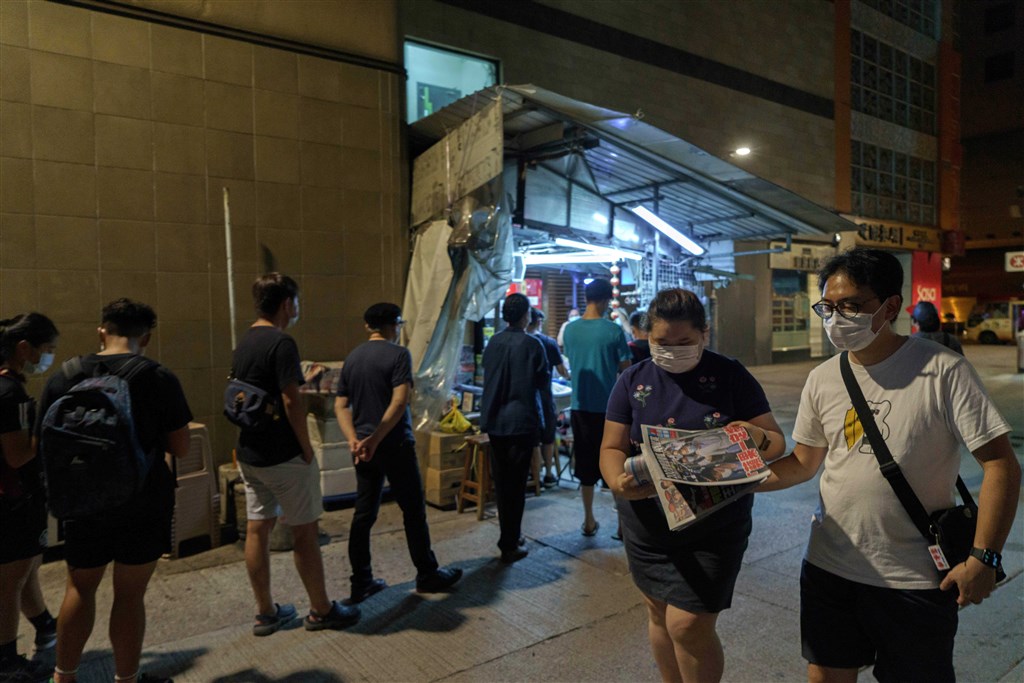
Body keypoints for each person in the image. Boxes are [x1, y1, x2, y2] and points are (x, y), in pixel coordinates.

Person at [761, 248, 1020, 683]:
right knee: (825, 676)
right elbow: (804, 463)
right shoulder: (823, 378)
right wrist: (732, 482)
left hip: (915, 579)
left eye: (850, 306)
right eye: (828, 307)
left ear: (891, 306)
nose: (836, 318)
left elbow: (1001, 464)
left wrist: (984, 557)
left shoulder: (943, 371)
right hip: (829, 567)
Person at [600, 288, 785, 683]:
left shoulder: (731, 375)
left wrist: (753, 435)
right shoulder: (632, 380)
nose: (672, 351)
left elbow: (775, 442)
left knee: (687, 625)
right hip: (648, 524)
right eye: (661, 342)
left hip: (715, 524)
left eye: (684, 342)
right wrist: (617, 481)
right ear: (647, 336)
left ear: (705, 333)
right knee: (657, 612)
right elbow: (612, 447)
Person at [37, 299, 190, 683]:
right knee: (129, 595)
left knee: (79, 588)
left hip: (82, 504)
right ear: (146, 337)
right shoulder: (158, 378)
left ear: (101, 331)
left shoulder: (64, 376)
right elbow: (181, 447)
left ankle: (63, 677)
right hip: (142, 502)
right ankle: (126, 679)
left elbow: (43, 444)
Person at [232, 274, 359, 635]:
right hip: (282, 454)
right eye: (297, 301)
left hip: (250, 452)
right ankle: (321, 610)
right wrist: (305, 448)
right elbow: (292, 401)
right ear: (287, 304)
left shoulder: (244, 341)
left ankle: (266, 612)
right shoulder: (281, 342)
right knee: (305, 532)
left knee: (257, 529)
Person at [334, 302, 463, 603]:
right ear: (393, 325)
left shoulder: (352, 358)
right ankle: (427, 574)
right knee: (413, 511)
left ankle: (361, 582)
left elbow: (341, 405)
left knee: (363, 515)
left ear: (368, 326)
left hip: (363, 449)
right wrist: (377, 438)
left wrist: (355, 440)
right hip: (394, 445)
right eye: (399, 324)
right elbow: (399, 401)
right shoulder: (399, 355)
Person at [0, 314, 59, 682]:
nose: (47, 357)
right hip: (14, 500)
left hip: (12, 499)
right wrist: (45, 427)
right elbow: (17, 455)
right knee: (12, 580)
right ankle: (7, 661)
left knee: (25, 569)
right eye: (46, 349)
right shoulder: (9, 393)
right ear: (24, 348)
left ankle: (47, 626)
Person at [479, 294, 549, 563]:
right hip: (522, 422)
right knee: (517, 485)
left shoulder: (493, 342)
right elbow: (543, 384)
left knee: (502, 482)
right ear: (525, 315)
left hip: (495, 421)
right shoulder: (533, 344)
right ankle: (509, 542)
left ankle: (510, 535)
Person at [563, 279, 632, 536]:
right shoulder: (613, 331)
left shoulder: (570, 330)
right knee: (616, 464)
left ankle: (589, 520)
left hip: (579, 407)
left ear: (586, 298)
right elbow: (626, 371)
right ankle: (622, 525)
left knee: (585, 466)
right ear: (605, 300)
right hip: (610, 410)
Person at [526, 307, 567, 488]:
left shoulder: (522, 341)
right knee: (548, 436)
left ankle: (535, 478)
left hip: (526, 397)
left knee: (533, 439)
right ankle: (549, 474)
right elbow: (562, 371)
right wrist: (569, 376)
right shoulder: (548, 342)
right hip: (545, 395)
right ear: (538, 322)